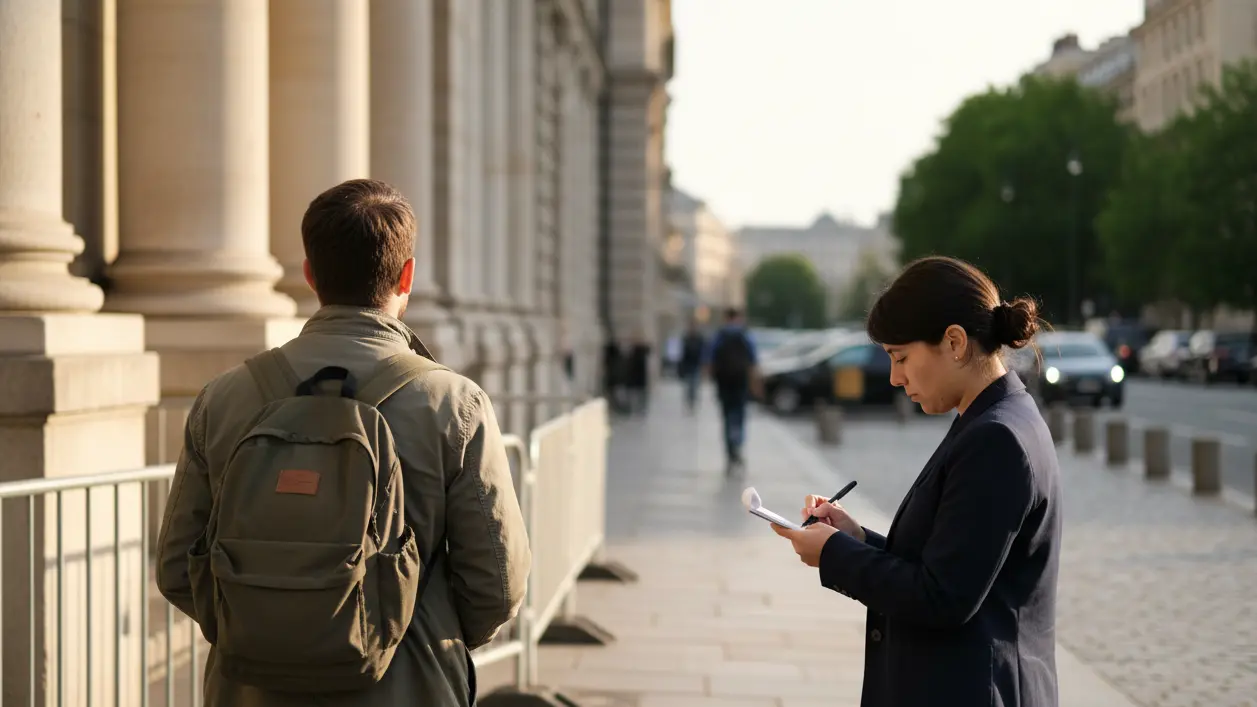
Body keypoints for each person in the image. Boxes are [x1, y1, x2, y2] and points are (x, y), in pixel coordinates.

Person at [155, 179, 531, 707]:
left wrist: (270, 626)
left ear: (310, 273)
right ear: (407, 275)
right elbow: (498, 581)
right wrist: (414, 631)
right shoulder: (454, 403)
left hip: (249, 690)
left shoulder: (226, 396)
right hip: (408, 686)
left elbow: (176, 565)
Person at [771, 255, 1062, 707]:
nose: (894, 377)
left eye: (901, 357)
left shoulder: (997, 437)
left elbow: (942, 597)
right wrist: (855, 538)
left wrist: (834, 554)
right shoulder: (990, 418)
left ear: (954, 342)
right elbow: (950, 562)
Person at [704, 308, 761, 475]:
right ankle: (737, 445)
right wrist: (755, 384)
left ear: (725, 318)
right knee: (740, 417)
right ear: (738, 318)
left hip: (724, 384)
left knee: (727, 417)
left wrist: (712, 379)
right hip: (741, 383)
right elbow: (753, 362)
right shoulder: (745, 336)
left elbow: (709, 360)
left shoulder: (719, 336)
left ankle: (730, 451)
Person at [678, 322, 707, 412]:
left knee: (694, 385)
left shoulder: (700, 339)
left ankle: (693, 402)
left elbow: (703, 352)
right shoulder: (685, 339)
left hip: (696, 365)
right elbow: (682, 354)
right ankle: (689, 402)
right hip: (687, 366)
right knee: (688, 386)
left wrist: (704, 365)